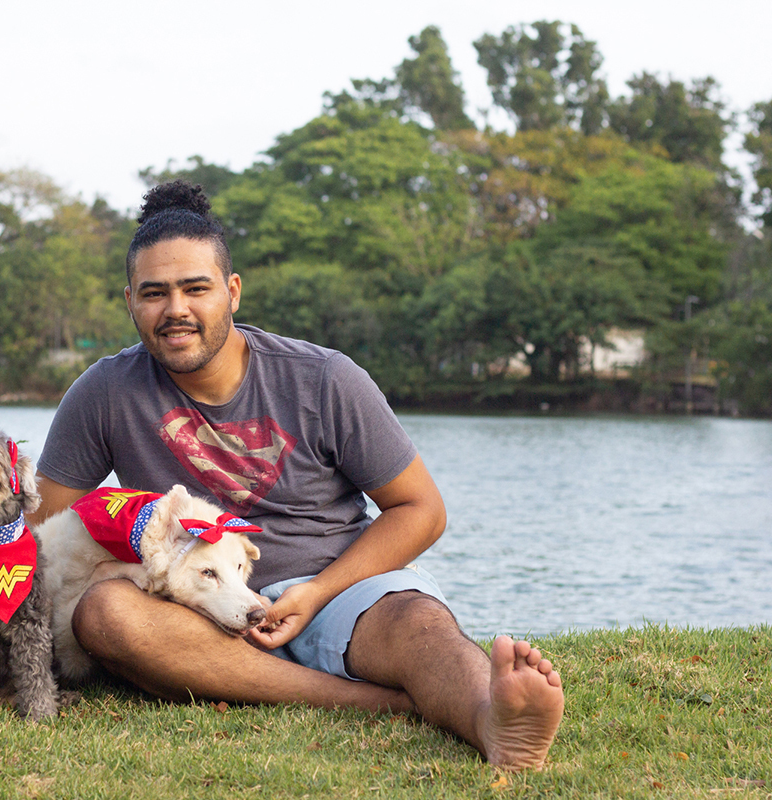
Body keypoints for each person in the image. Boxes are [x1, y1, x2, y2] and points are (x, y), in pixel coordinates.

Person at [30, 181, 564, 769]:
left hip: (338, 594)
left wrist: (317, 593)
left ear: (232, 292)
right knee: (105, 613)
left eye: (195, 288)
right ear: (130, 301)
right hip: (194, 612)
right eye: (154, 293)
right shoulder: (105, 393)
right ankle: (380, 704)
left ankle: (495, 723)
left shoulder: (324, 378)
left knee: (419, 623)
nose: (175, 309)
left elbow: (422, 510)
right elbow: (38, 532)